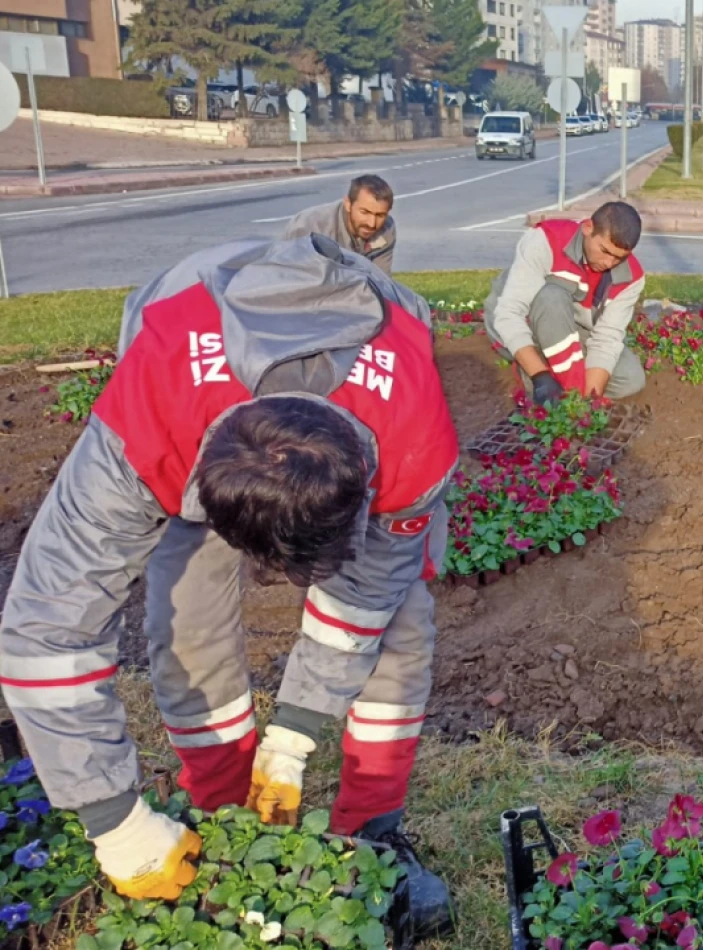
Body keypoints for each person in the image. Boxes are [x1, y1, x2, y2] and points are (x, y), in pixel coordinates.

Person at [0, 235, 458, 933]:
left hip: (371, 399)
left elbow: (367, 596)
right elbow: (46, 628)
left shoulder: (413, 439)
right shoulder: (149, 417)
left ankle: (374, 826)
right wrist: (113, 821)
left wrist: (296, 736)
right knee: (186, 610)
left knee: (401, 625)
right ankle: (220, 806)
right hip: (191, 376)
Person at [484, 201, 647, 402]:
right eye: (605, 251)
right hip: (518, 319)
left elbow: (607, 339)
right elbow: (508, 314)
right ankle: (535, 373)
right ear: (588, 228)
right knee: (552, 297)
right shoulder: (546, 240)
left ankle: (563, 382)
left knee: (630, 378)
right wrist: (540, 376)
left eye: (618, 258)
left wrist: (586, 403)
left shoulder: (632, 277)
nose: (609, 263)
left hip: (567, 326)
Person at [280, 175, 397, 274]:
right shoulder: (311, 226)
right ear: (348, 204)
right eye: (364, 212)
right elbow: (293, 278)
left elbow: (382, 280)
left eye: (380, 215)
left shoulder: (387, 229)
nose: (371, 224)